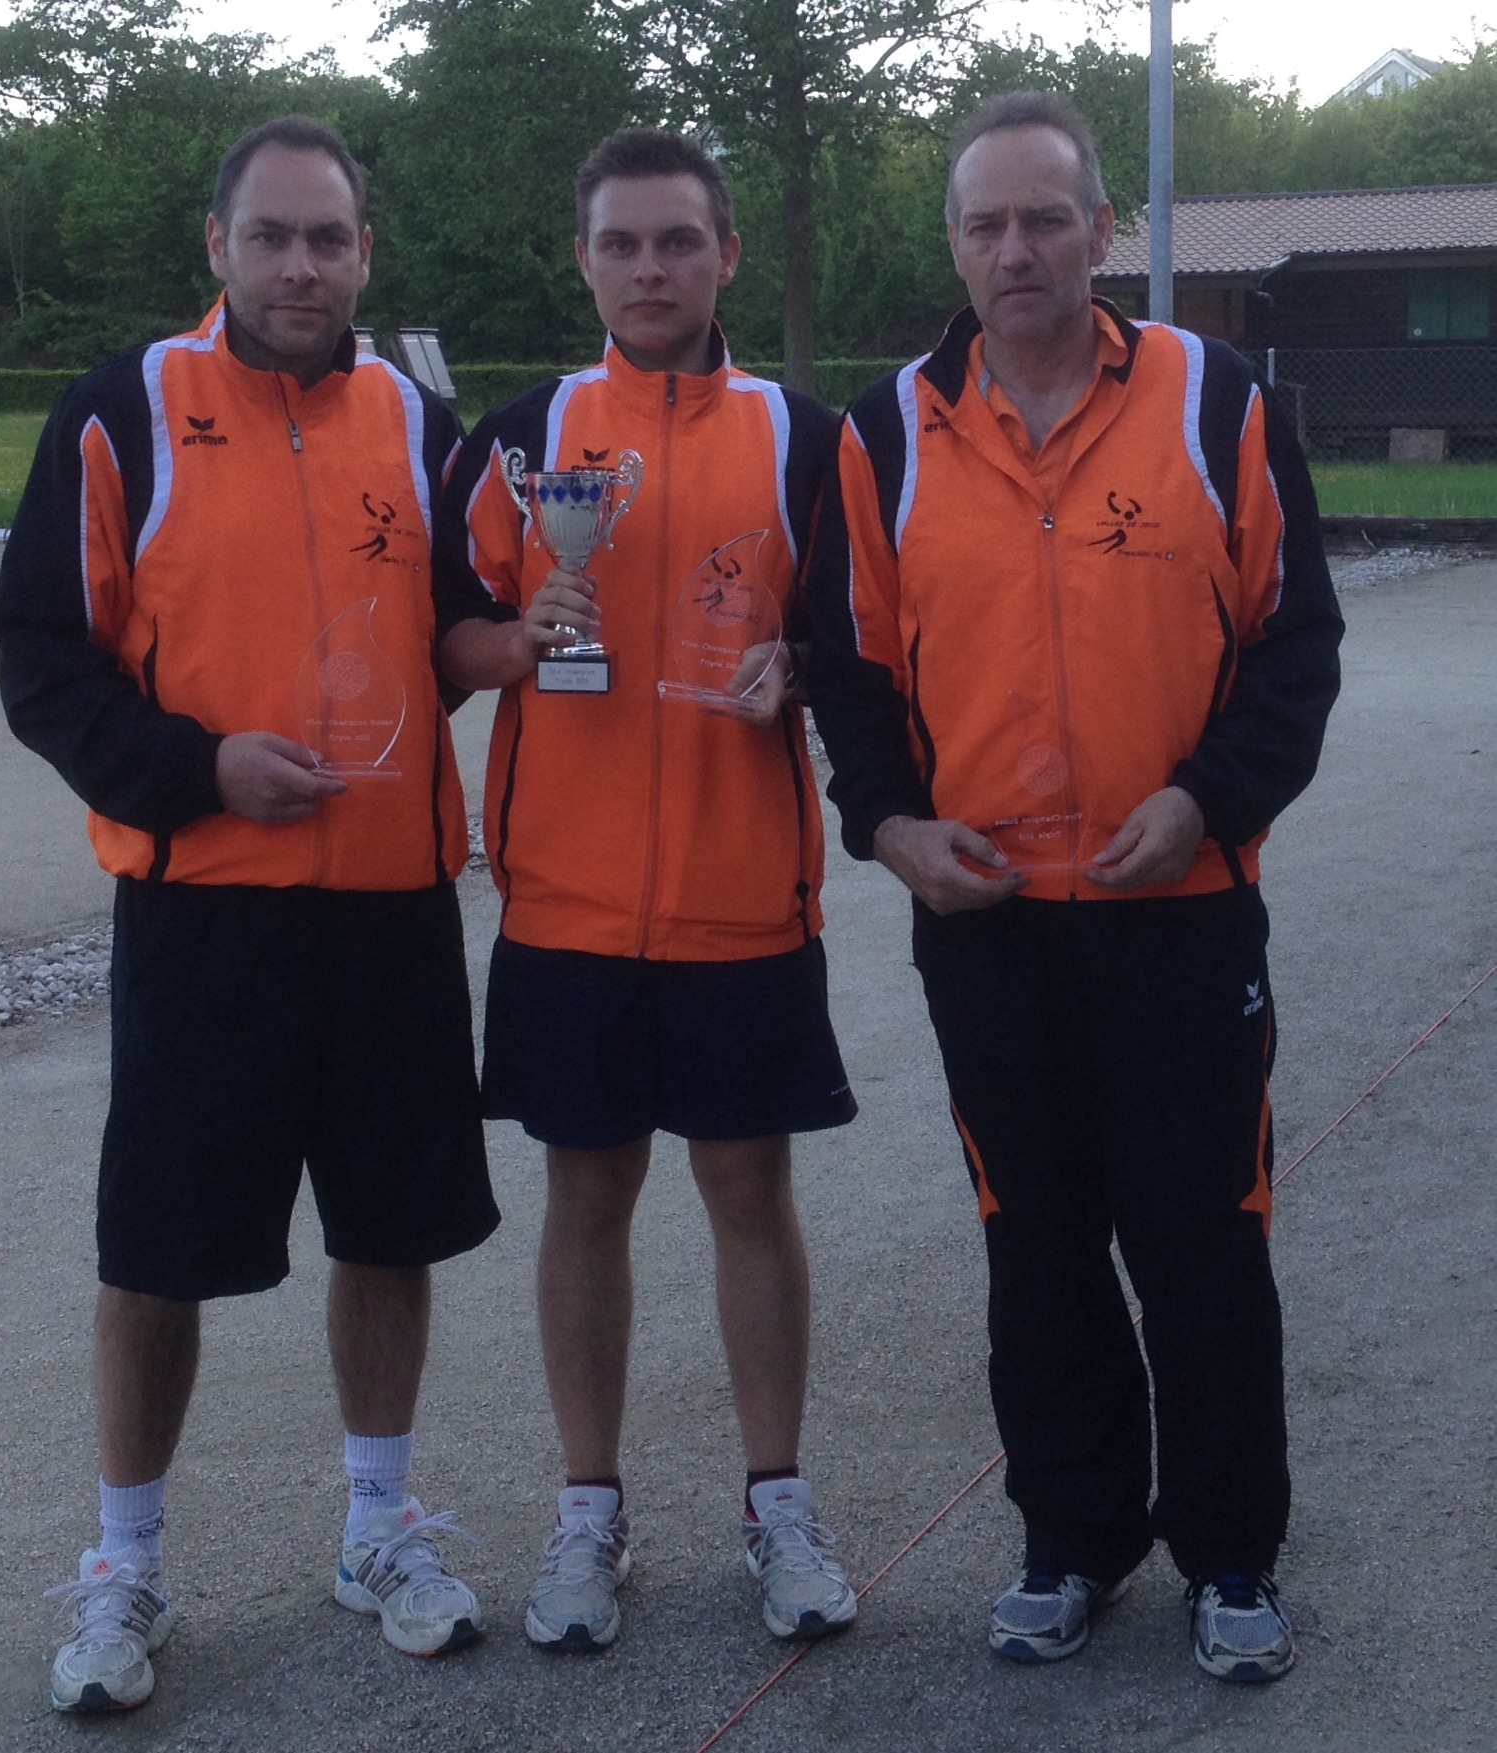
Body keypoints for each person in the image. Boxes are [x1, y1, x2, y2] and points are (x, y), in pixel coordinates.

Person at [808, 92, 1343, 1682]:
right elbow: (849, 670)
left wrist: (1206, 801)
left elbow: (1296, 648)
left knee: (1204, 1234)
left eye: (1047, 217)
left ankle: (1230, 1553)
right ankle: (1072, 1537)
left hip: (1180, 909)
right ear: (955, 247)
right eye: (987, 223)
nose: (1018, 248)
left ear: (1102, 232)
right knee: (1034, 1239)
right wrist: (891, 828)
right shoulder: (884, 434)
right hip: (988, 921)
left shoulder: (1217, 403)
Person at [0, 115, 501, 1714]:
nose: (300, 266)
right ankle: (126, 1561)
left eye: (327, 239)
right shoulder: (122, 413)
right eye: (271, 236)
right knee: (158, 1256)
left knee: (390, 1230)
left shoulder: (418, 425)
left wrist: (548, 631)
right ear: (217, 247)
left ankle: (378, 1527)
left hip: (391, 909)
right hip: (205, 914)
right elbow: (45, 667)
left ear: (364, 255)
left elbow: (463, 628)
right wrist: (201, 768)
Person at [434, 127, 858, 1652]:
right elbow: (446, 636)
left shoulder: (807, 441)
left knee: (750, 1194)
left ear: (727, 254)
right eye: (621, 243)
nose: (651, 268)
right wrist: (518, 637)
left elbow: (866, 640)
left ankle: (779, 1504)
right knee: (586, 1198)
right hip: (569, 902)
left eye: (680, 241)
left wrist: (798, 667)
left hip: (744, 899)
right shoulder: (522, 436)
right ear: (584, 260)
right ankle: (586, 1509)